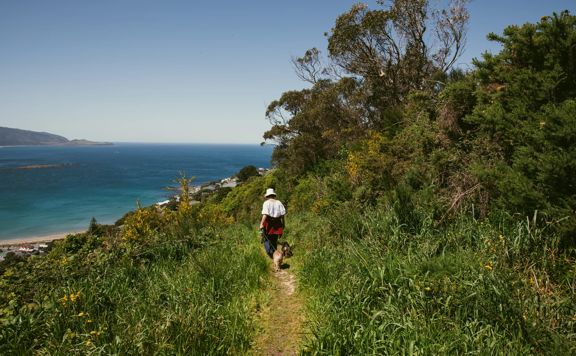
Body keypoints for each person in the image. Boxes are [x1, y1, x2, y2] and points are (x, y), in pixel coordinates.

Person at [259, 188, 286, 257]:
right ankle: (275, 253)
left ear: (267, 196)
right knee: (274, 239)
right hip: (277, 223)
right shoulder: (279, 202)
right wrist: (283, 223)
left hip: (269, 223)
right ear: (273, 195)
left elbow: (265, 214)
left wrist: (261, 223)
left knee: (266, 238)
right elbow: (282, 215)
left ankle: (271, 253)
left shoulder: (266, 203)